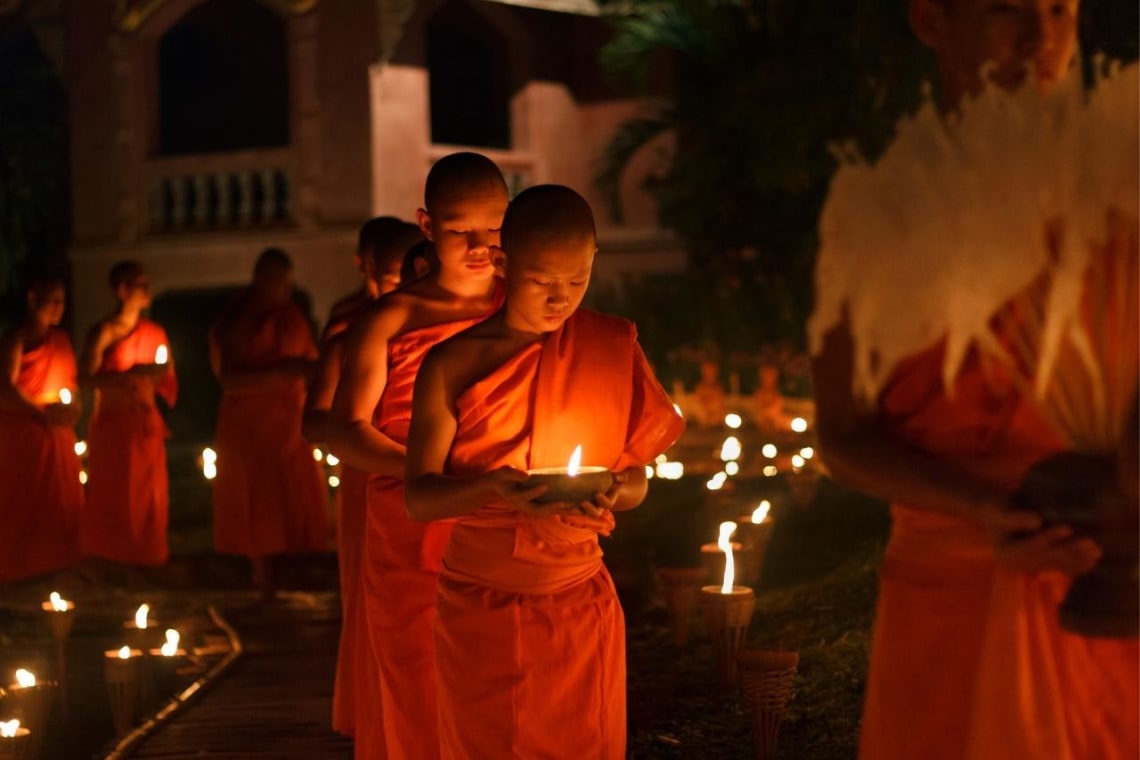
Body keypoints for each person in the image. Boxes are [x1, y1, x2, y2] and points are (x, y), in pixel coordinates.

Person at [810, 2, 1138, 758]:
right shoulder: (879, 213)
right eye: (1007, 9)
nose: (1041, 37)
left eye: (1060, 9)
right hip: (947, 587)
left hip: (1109, 579)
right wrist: (988, 506)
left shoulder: (1117, 190)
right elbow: (843, 434)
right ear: (932, 19)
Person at [403, 185, 683, 759]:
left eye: (576, 281)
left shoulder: (611, 344)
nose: (561, 299)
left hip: (580, 602)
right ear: (503, 263)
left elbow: (637, 483)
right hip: (483, 607)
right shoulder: (453, 363)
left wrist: (611, 489)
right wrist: (492, 487)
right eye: (542, 282)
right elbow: (419, 499)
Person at [328, 152, 508, 760]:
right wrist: (430, 472)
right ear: (427, 226)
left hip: (498, 520)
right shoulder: (392, 318)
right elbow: (347, 428)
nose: (483, 245)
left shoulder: (524, 307)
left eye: (496, 228)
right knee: (416, 681)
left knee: (494, 681)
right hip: (409, 523)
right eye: (462, 231)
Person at [302, 217, 421, 748]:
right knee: (371, 599)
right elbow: (314, 421)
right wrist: (366, 434)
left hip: (432, 483)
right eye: (395, 277)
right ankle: (372, 713)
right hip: (368, 478)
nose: (405, 289)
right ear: (370, 271)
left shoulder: (439, 332)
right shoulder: (351, 334)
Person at [210, 248, 327, 601]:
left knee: (290, 494)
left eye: (288, 284)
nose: (285, 291)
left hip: (289, 422)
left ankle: (290, 570)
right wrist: (282, 372)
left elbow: (311, 361)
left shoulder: (291, 317)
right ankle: (262, 574)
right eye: (279, 283)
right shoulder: (239, 320)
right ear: (261, 279)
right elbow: (230, 378)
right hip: (250, 427)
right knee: (258, 500)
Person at [79, 260, 177, 571]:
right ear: (122, 290)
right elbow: (85, 379)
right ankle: (111, 560)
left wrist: (157, 374)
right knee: (115, 493)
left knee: (148, 493)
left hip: (145, 422)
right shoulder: (105, 332)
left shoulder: (153, 331)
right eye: (140, 284)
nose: (147, 290)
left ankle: (146, 558)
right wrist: (129, 375)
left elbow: (165, 377)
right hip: (114, 423)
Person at [0, 275, 84, 584]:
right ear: (32, 299)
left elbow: (70, 386)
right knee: (23, 501)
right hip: (26, 432)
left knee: (60, 501)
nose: (58, 309)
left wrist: (73, 408)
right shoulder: (16, 339)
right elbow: (5, 389)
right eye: (52, 301)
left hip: (58, 434)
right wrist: (41, 413)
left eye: (62, 302)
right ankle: (20, 569)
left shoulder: (61, 341)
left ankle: (58, 565)